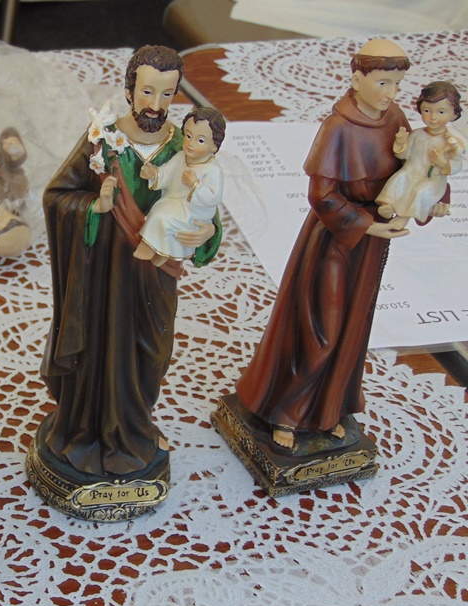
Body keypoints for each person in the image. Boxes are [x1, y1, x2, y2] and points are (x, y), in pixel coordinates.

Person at [234, 40, 449, 450]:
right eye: (382, 82)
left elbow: (416, 168)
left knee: (353, 330)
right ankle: (286, 413)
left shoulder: (395, 117)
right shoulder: (337, 127)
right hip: (335, 239)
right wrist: (367, 225)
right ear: (356, 79)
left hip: (371, 243)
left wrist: (436, 198)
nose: (390, 93)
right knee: (322, 329)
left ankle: (326, 412)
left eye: (397, 84)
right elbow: (322, 196)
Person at [35, 46, 220, 505]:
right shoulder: (103, 139)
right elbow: (57, 196)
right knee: (98, 353)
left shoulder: (185, 145)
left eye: (167, 94)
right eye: (147, 91)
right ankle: (83, 430)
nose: (155, 105)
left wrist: (207, 232)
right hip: (100, 279)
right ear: (129, 89)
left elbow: (207, 207)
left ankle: (134, 427)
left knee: (150, 352)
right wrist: (94, 207)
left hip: (153, 279)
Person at [136, 107, 227, 266]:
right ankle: (163, 250)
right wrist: (154, 174)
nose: (190, 144)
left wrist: (195, 185)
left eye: (200, 141)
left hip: (196, 211)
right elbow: (166, 173)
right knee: (159, 210)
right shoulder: (181, 157)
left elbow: (214, 198)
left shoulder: (213, 170)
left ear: (214, 146)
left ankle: (150, 247)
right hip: (175, 201)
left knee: (163, 216)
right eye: (188, 136)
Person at [376, 81, 464, 229]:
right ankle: (388, 206)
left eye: (441, 112)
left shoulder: (452, 142)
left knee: (420, 191)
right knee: (398, 179)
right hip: (410, 172)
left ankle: (403, 218)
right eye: (427, 110)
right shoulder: (417, 135)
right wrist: (400, 143)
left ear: (454, 114)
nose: (433, 117)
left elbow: (457, 164)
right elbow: (403, 156)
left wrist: (443, 163)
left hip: (432, 180)